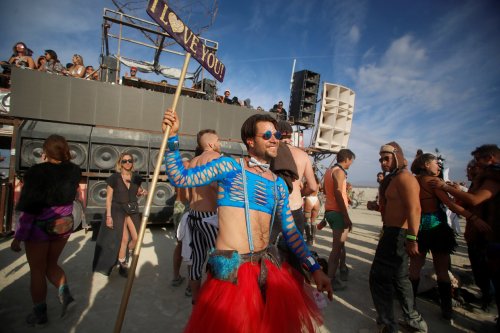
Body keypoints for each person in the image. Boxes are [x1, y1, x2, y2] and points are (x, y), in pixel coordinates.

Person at [162, 110, 332, 333]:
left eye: (277, 135)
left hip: (266, 268)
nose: (274, 139)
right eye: (268, 134)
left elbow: (291, 232)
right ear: (250, 141)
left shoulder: (278, 184)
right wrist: (172, 138)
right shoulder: (229, 168)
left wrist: (315, 268)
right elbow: (180, 177)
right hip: (232, 274)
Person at [10, 135, 81, 326]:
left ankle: (40, 315)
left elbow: (30, 208)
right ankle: (65, 295)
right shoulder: (74, 171)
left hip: (39, 229)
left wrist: (18, 237)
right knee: (52, 264)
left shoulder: (36, 172)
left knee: (37, 271)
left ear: (45, 152)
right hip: (63, 226)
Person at [430, 144, 499, 328]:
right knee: (483, 271)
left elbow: (475, 200)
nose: (475, 165)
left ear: (491, 157)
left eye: (478, 160)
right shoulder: (486, 178)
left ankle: (489, 302)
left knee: (491, 273)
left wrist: (446, 187)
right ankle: (487, 297)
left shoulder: (493, 177)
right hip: (480, 235)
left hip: (490, 235)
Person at [409, 150, 478, 320]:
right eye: (435, 163)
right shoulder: (433, 182)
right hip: (438, 229)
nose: (438, 166)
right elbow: (450, 205)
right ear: (426, 165)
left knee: (414, 268)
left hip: (418, 229)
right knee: (442, 270)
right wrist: (473, 217)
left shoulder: (414, 181)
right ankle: (446, 309)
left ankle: (410, 305)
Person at [369, 142, 428, 333]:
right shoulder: (394, 179)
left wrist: (412, 238)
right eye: (381, 159)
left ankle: (388, 323)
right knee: (399, 278)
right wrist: (377, 207)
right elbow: (396, 208)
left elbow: (415, 209)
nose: (382, 162)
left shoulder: (405, 178)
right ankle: (412, 319)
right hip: (392, 233)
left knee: (379, 277)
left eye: (386, 158)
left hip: (398, 235)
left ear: (397, 157)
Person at [273, 120, 317, 282]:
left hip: (274, 210)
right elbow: (313, 186)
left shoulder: (272, 152)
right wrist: (299, 190)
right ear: (291, 136)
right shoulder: (303, 155)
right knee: (295, 255)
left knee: (272, 255)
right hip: (295, 208)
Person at [92, 152, 147, 277]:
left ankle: (127, 251)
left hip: (132, 209)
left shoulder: (136, 178)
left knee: (137, 238)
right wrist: (108, 216)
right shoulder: (114, 178)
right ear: (120, 163)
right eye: (124, 161)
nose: (127, 163)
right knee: (124, 238)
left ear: (133, 163)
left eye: (130, 161)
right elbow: (109, 198)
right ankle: (122, 264)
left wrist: (143, 192)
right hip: (117, 209)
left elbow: (137, 192)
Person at [186, 129, 221, 304]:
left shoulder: (192, 162)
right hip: (209, 216)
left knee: (196, 259)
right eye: (218, 140)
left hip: (193, 214)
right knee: (219, 258)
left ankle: (195, 299)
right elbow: (215, 186)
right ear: (211, 144)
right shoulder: (215, 158)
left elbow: (187, 193)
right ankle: (214, 299)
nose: (220, 144)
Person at [322, 149, 355, 290]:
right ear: (347, 158)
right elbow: (336, 192)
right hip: (338, 212)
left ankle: (342, 268)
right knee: (336, 249)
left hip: (330, 211)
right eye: (351, 161)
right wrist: (346, 216)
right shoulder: (340, 172)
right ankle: (330, 280)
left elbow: (326, 191)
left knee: (340, 244)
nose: (351, 164)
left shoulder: (328, 171)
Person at [171, 158, 191, 294]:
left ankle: (176, 276)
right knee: (191, 245)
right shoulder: (191, 176)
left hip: (178, 206)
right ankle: (191, 285)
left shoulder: (177, 176)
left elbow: (175, 192)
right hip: (188, 207)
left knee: (179, 244)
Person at [303, 174, 321, 246]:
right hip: (316, 200)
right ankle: (313, 239)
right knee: (313, 221)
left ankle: (308, 239)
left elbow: (304, 192)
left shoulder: (307, 183)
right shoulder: (318, 184)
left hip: (309, 200)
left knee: (306, 221)